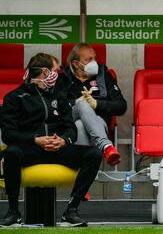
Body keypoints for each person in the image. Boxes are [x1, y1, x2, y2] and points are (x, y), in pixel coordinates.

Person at [0, 53, 102, 227]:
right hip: (30, 149)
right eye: (55, 70)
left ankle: (71, 210)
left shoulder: (59, 96)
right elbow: (8, 134)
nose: (58, 74)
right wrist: (35, 140)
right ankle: (13, 212)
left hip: (57, 148)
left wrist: (63, 140)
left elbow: (71, 128)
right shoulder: (14, 98)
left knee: (94, 154)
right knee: (11, 153)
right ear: (44, 73)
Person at [56, 43, 126, 166]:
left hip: (98, 122)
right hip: (68, 121)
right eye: (89, 60)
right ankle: (106, 146)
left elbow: (121, 106)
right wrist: (76, 102)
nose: (94, 62)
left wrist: (96, 104)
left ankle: (82, 168)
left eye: (95, 58)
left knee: (80, 125)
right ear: (76, 64)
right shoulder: (62, 78)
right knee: (82, 104)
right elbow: (54, 106)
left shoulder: (104, 76)